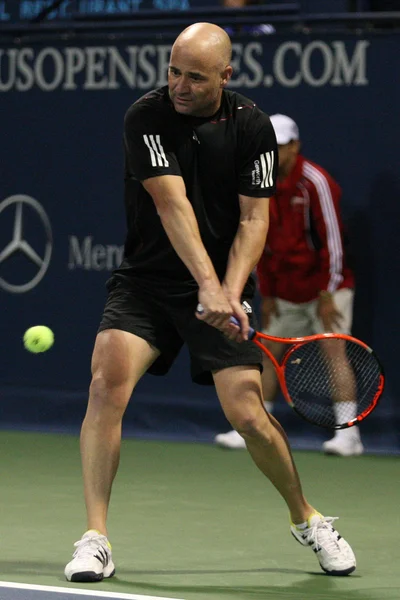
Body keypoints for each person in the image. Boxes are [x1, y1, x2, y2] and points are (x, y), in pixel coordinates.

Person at [64, 26, 356, 582]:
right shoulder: (145, 117)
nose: (178, 84)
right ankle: (95, 537)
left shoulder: (252, 127)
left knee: (247, 412)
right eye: (173, 70)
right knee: (106, 384)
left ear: (227, 75)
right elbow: (173, 208)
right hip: (148, 283)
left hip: (224, 282)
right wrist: (209, 287)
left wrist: (231, 287)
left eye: (194, 77)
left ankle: (309, 519)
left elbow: (253, 219)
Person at [215, 114, 363, 457]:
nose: (273, 152)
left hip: (327, 285)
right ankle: (255, 426)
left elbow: (334, 242)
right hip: (286, 290)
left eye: (279, 147)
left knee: (333, 352)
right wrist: (267, 291)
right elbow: (258, 241)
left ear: (294, 147)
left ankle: (349, 435)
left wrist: (328, 293)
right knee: (267, 356)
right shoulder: (258, 184)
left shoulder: (316, 182)